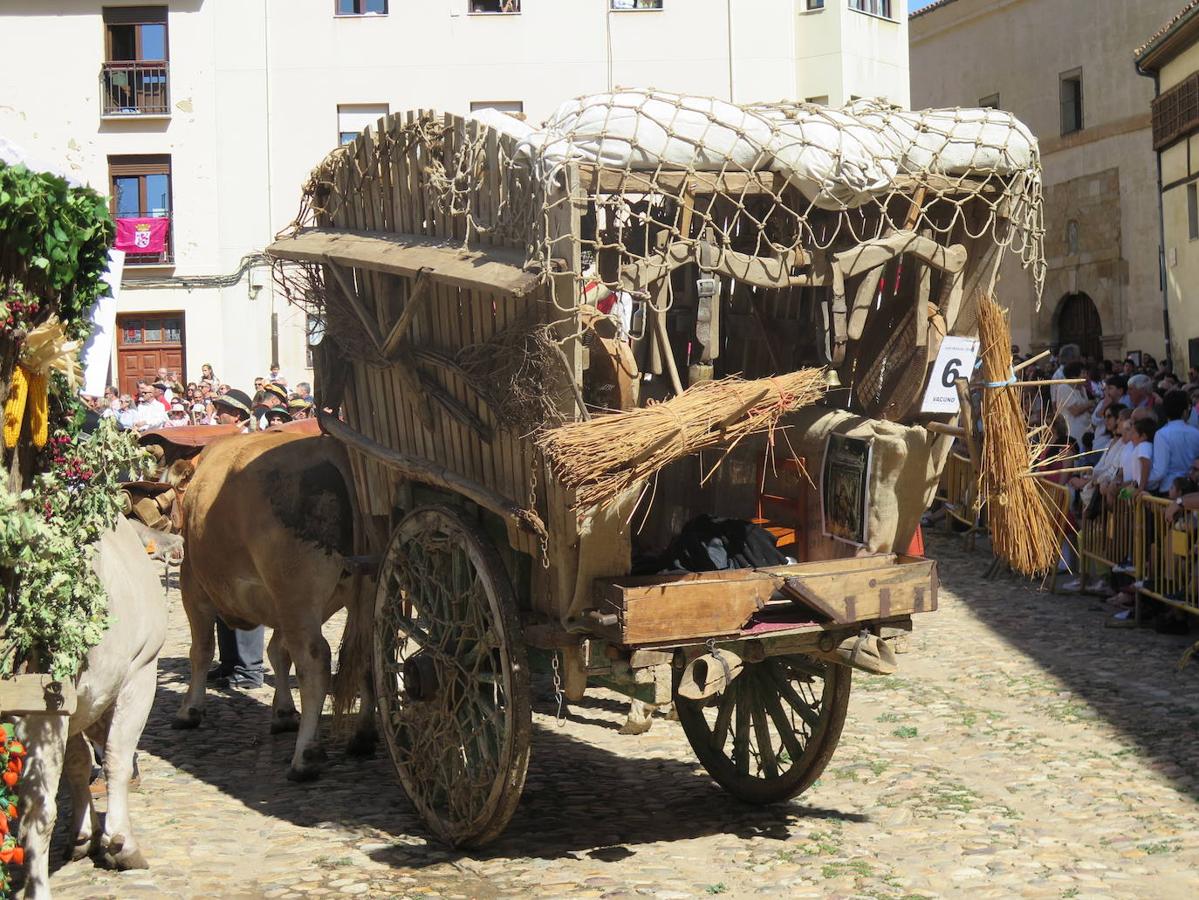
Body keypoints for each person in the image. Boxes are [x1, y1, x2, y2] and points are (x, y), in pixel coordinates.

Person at [206, 388, 266, 690]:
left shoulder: (250, 443)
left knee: (245, 597)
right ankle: (229, 663)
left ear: (239, 415)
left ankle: (250, 669)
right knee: (224, 598)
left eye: (223, 411)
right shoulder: (225, 442)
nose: (218, 415)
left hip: (242, 526)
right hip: (221, 526)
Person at [1145, 389, 1199, 496]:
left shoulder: (1162, 434)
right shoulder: (1196, 432)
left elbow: (1159, 471)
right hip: (1191, 489)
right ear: (1185, 412)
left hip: (1169, 489)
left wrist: (1141, 482)